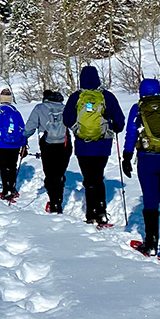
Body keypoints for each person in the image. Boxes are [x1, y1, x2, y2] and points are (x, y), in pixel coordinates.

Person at [122, 78, 160, 256]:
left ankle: (151, 243)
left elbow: (131, 133)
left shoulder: (138, 108)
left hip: (147, 159)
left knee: (150, 200)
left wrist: (127, 156)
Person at [63, 65, 124, 225]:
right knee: (98, 177)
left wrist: (77, 128)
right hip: (103, 145)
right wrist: (113, 127)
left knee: (89, 179)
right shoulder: (107, 97)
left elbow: (66, 119)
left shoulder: (76, 97)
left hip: (83, 146)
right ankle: (101, 212)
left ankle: (91, 214)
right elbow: (120, 121)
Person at [23, 88, 71, 212]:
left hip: (47, 145)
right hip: (65, 144)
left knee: (50, 173)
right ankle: (58, 200)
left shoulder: (40, 108)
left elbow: (30, 127)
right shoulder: (66, 108)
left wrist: (24, 137)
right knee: (59, 173)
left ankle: (53, 202)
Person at [0, 87, 28, 200]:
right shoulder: (16, 112)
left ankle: (6, 190)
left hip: (2, 144)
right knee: (12, 166)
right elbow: (23, 128)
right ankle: (12, 188)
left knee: (4, 166)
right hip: (16, 144)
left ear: (1, 99)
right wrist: (24, 143)